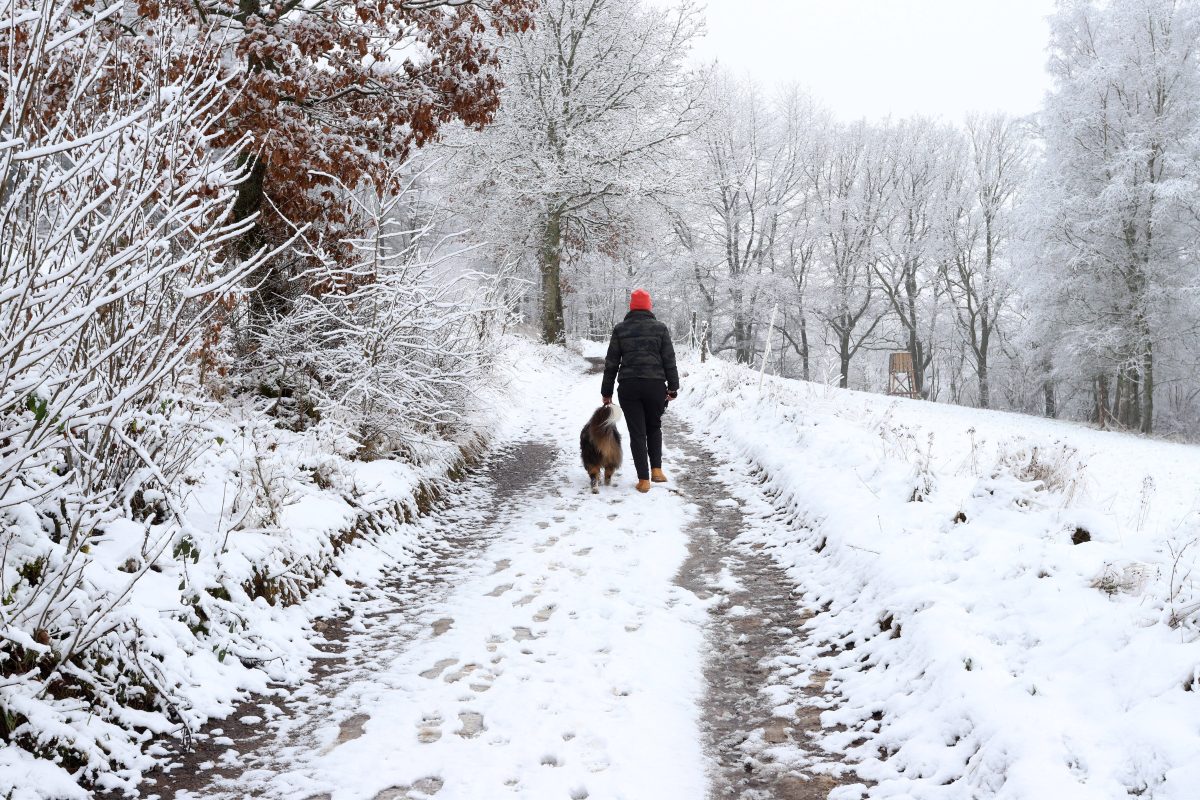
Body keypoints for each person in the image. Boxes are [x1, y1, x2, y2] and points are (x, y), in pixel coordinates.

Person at [600, 289, 680, 493]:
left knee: (637, 433)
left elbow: (611, 363)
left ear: (631, 307)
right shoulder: (660, 328)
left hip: (629, 387)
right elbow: (669, 360)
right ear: (649, 306)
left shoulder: (620, 329)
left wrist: (606, 392)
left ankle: (644, 480)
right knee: (654, 427)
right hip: (655, 385)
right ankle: (657, 471)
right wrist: (673, 387)